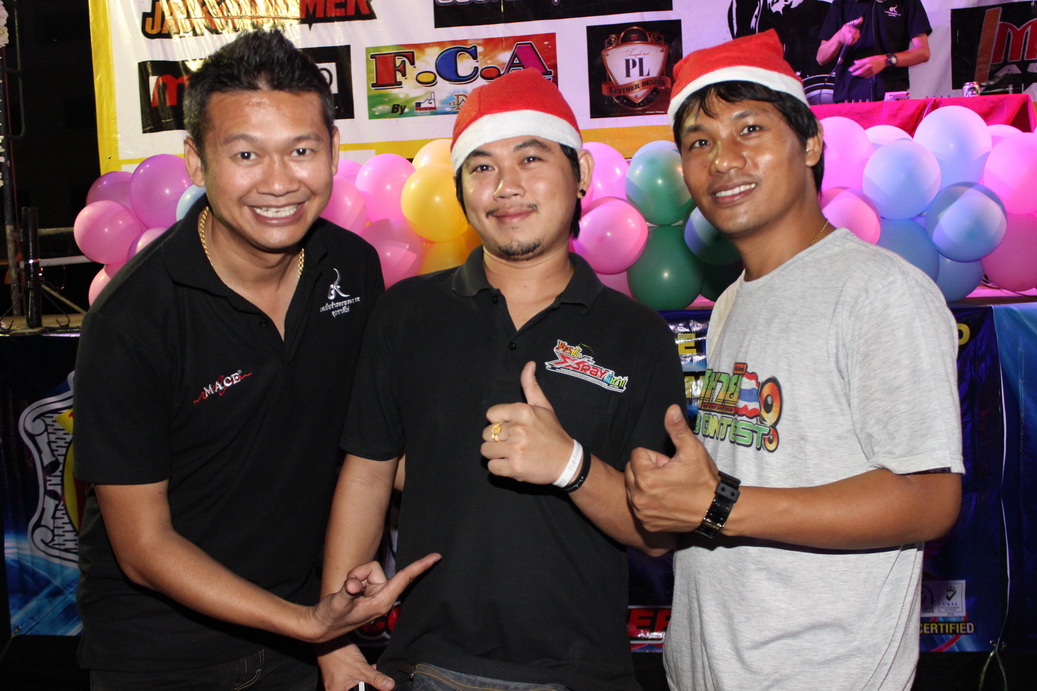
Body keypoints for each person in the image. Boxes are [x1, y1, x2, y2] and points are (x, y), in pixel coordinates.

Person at [74, 29, 438, 689]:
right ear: (196, 161)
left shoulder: (352, 269)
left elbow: (365, 452)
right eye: (245, 153)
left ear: (333, 151)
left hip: (300, 643)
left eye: (301, 150)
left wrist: (328, 635)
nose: (278, 182)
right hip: (160, 658)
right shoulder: (133, 318)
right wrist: (308, 626)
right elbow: (142, 547)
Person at [318, 68, 685, 691]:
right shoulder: (407, 312)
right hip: (427, 666)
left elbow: (657, 531)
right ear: (460, 189)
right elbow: (368, 473)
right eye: (482, 166)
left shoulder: (637, 334)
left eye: (530, 158)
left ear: (581, 173)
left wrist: (570, 465)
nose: (506, 186)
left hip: (581, 673)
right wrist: (333, 640)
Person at [625, 30, 963, 689]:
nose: (723, 160)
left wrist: (718, 505)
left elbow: (928, 497)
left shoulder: (879, 290)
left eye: (749, 128)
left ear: (809, 143)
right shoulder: (732, 301)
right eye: (699, 142)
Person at [816, 0, 931, 102]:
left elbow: (923, 52)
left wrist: (886, 60)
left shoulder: (906, 2)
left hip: (891, 95)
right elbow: (821, 58)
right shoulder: (842, 3)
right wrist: (839, 36)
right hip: (849, 97)